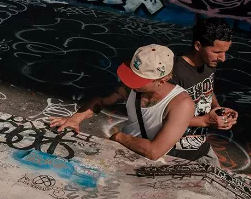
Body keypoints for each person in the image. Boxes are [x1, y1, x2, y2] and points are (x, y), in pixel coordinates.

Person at [49, 44, 195, 161]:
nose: (130, 82)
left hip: (149, 164)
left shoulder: (181, 104)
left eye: (139, 80)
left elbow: (154, 151)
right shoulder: (131, 88)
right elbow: (101, 102)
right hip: (122, 150)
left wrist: (119, 137)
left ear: (162, 79)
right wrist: (76, 118)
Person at [169, 18, 236, 164]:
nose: (223, 58)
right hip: (174, 153)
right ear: (198, 45)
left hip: (201, 147)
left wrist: (217, 108)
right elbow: (165, 117)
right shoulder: (175, 72)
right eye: (217, 52)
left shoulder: (209, 63)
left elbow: (208, 90)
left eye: (225, 52)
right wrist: (206, 121)